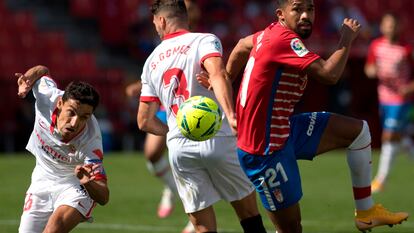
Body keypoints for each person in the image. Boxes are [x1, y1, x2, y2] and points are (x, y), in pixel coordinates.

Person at [223, 0, 409, 232]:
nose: (305, 15)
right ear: (281, 14)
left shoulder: (268, 33)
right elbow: (329, 75)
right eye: (298, 9)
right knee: (292, 229)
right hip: (264, 150)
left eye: (309, 9)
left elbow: (241, 45)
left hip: (284, 129)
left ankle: (366, 212)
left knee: (358, 131)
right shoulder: (283, 39)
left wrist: (227, 79)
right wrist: (346, 39)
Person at [137, 1, 267, 233]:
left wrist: (175, 130)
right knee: (248, 213)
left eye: (155, 22)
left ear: (163, 20)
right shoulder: (204, 40)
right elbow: (217, 74)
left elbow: (144, 120)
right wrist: (230, 114)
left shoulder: (150, 61)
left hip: (180, 149)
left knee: (202, 226)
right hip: (217, 138)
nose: (156, 27)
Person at [16, 65, 109, 233]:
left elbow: (103, 196)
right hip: (42, 180)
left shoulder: (91, 140)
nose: (75, 123)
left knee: (53, 229)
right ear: (59, 103)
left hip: (74, 185)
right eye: (71, 113)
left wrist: (87, 182)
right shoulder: (47, 97)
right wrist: (27, 81)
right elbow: (42, 70)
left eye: (84, 117)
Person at [125, 80, 195, 233]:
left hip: (192, 106)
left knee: (189, 162)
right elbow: (158, 72)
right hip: (166, 105)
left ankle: (196, 221)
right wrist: (140, 85)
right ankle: (172, 187)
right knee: (152, 153)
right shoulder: (160, 56)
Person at [364, 12, 414, 193]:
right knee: (397, 138)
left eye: (393, 25)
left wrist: (410, 88)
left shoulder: (406, 49)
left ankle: (380, 180)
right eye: (387, 25)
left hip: (401, 100)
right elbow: (369, 68)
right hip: (383, 98)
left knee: (388, 135)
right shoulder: (376, 46)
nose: (390, 28)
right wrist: (372, 71)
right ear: (382, 26)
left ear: (399, 27)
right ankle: (407, 145)